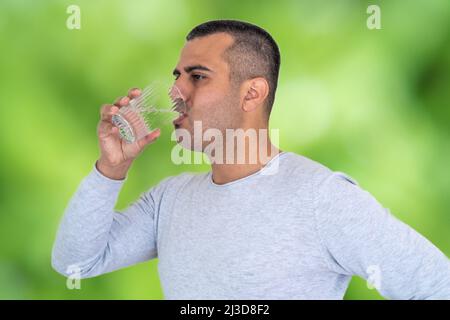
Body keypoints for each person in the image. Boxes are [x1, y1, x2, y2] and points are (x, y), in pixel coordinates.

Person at [52, 20, 450, 299]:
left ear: (252, 94)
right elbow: (76, 263)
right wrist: (111, 169)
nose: (175, 92)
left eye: (197, 76)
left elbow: (437, 286)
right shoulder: (169, 200)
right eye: (176, 76)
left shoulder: (321, 198)